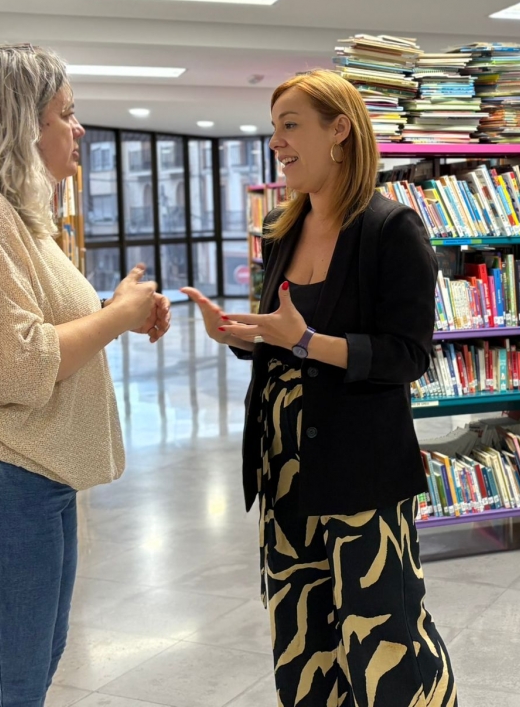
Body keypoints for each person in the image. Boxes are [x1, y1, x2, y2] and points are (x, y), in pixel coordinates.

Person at [0, 46, 171, 707]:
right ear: (19, 124)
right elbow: (11, 367)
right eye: (65, 114)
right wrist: (118, 316)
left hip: (17, 474)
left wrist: (116, 314)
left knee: (24, 676)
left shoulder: (11, 215)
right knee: (8, 691)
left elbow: (22, 337)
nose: (79, 130)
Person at [182, 69, 456, 707]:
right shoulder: (282, 225)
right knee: (300, 630)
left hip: (361, 467)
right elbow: (283, 336)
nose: (277, 141)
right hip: (282, 466)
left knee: (382, 630)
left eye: (290, 125)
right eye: (274, 128)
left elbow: (408, 355)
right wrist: (237, 333)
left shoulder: (392, 230)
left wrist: (306, 342)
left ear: (340, 131)